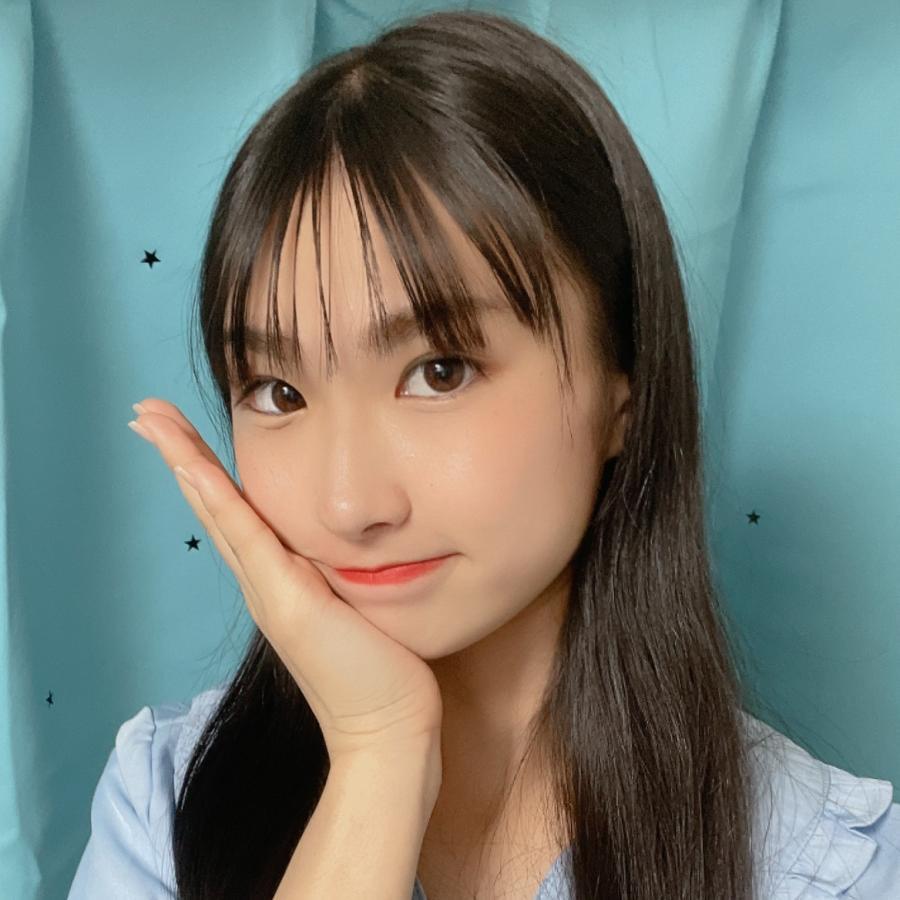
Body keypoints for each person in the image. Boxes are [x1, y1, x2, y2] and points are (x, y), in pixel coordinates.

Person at [69, 9, 900, 899]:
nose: (350, 504)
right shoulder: (167, 810)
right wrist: (379, 753)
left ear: (623, 386)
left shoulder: (823, 871)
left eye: (440, 371)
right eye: (279, 392)